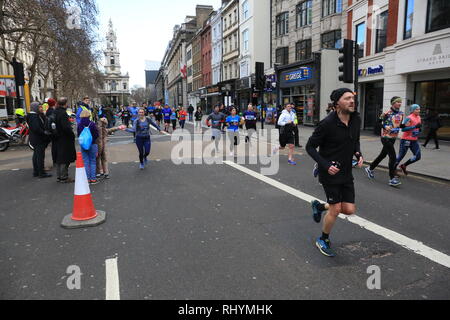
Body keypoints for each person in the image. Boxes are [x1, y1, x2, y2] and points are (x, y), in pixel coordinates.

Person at [306, 88, 363, 257]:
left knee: (349, 209)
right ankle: (323, 239)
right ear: (337, 103)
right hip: (329, 172)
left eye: (352, 98)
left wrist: (358, 153)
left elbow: (355, 140)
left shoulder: (356, 119)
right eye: (347, 99)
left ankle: (319, 206)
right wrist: (324, 164)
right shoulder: (326, 124)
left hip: (346, 171)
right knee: (336, 209)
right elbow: (310, 147)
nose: (352, 101)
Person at [365, 96, 404, 187]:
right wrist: (384, 127)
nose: (400, 104)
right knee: (393, 157)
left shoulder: (401, 113)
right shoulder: (386, 113)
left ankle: (370, 168)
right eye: (398, 102)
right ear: (393, 103)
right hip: (385, 137)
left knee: (383, 155)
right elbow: (378, 123)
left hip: (393, 137)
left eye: (400, 102)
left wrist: (408, 126)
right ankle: (392, 178)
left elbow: (399, 125)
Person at [395, 104, 423, 176]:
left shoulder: (419, 117)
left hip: (414, 140)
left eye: (419, 109)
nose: (418, 111)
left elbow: (417, 128)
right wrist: (414, 126)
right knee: (401, 156)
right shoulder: (409, 118)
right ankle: (393, 169)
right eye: (416, 109)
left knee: (418, 156)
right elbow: (403, 129)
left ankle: (403, 165)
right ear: (412, 110)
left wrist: (419, 129)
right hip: (406, 140)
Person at [54, 97, 77, 183]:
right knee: (65, 158)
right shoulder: (63, 113)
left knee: (59, 158)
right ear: (65, 104)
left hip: (57, 137)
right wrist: (71, 134)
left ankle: (59, 176)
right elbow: (66, 127)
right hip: (64, 138)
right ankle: (64, 176)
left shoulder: (55, 112)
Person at [27, 102, 52, 178]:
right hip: (38, 139)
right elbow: (36, 128)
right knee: (40, 156)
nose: (41, 108)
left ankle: (36, 171)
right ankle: (41, 172)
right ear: (35, 108)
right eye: (39, 107)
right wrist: (44, 132)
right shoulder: (33, 116)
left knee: (36, 155)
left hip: (36, 138)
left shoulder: (33, 115)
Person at [77, 110, 99, 185]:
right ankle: (93, 179)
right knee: (93, 161)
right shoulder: (92, 124)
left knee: (85, 162)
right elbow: (96, 134)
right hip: (92, 144)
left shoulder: (79, 124)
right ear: (89, 115)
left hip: (83, 145)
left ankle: (87, 179)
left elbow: (79, 135)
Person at [45, 98, 58, 166]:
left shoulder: (48, 111)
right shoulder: (52, 111)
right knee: (55, 146)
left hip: (50, 131)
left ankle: (55, 160)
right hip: (53, 131)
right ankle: (55, 161)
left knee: (54, 146)